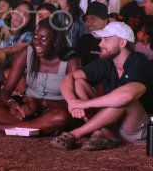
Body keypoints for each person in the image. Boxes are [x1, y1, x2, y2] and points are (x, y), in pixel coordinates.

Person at [52, 22, 153, 151]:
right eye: (101, 40)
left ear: (122, 43)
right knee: (79, 83)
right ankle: (100, 134)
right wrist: (73, 102)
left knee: (125, 101)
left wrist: (84, 104)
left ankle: (75, 134)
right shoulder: (105, 63)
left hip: (136, 130)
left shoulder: (139, 61)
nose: (100, 44)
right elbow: (69, 78)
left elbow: (127, 96)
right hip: (111, 126)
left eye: (106, 39)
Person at [0, 19, 81, 135]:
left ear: (55, 41)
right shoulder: (27, 53)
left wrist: (41, 103)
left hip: (53, 109)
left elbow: (75, 102)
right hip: (26, 109)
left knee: (61, 117)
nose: (37, 42)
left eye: (43, 38)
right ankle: (40, 128)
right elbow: (6, 91)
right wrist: (11, 103)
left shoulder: (71, 60)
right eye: (35, 36)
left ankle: (0, 128)